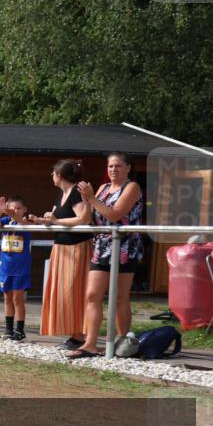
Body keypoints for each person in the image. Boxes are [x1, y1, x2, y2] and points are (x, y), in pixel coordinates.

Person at [67, 152, 144, 359]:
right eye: (110, 166)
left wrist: (91, 198)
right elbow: (88, 217)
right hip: (102, 244)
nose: (113, 170)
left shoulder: (132, 187)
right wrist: (84, 200)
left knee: (120, 296)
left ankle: (122, 342)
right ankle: (90, 343)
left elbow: (115, 214)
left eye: (118, 166)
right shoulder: (102, 188)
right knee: (92, 294)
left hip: (126, 245)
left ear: (128, 168)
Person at [27, 159, 92, 350]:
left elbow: (84, 219)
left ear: (60, 175)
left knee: (74, 291)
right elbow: (56, 220)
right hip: (61, 248)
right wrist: (40, 220)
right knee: (63, 292)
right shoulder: (61, 194)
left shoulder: (75, 194)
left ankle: (79, 334)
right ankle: (73, 333)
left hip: (77, 248)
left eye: (53, 172)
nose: (51, 175)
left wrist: (55, 221)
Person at [0, 196, 33, 341]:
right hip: (6, 266)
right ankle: (8, 329)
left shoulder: (27, 221)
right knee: (7, 298)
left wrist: (11, 213)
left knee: (17, 299)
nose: (15, 211)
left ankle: (20, 330)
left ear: (25, 209)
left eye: (18, 208)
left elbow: (23, 223)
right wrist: (0, 211)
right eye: (12, 208)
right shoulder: (5, 221)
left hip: (20, 267)